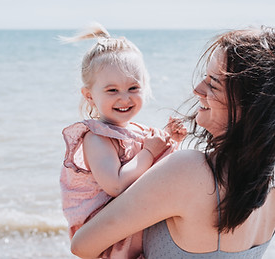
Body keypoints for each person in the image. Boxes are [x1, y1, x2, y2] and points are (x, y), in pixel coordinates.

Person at [70, 26, 275, 259]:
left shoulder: (188, 170)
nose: (197, 90)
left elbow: (82, 245)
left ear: (250, 107)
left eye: (213, 84)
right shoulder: (268, 185)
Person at [59, 23, 187, 258]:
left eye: (133, 87)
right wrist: (149, 152)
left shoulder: (138, 130)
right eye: (112, 91)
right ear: (89, 95)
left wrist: (169, 140)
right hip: (109, 237)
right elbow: (117, 185)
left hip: (133, 225)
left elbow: (151, 173)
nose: (124, 98)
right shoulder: (96, 137)